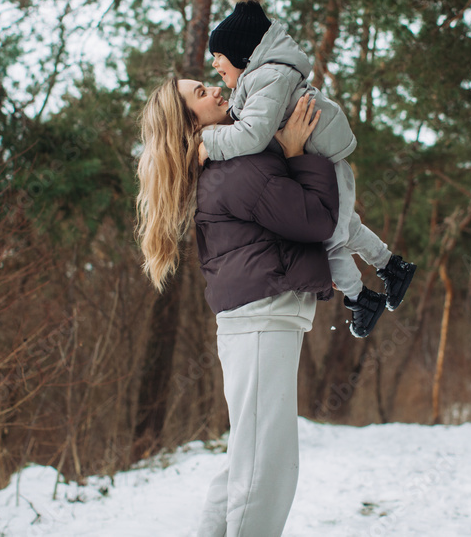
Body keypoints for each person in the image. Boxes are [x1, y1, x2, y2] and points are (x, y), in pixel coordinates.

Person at [135, 75, 338, 537]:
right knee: (266, 471)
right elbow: (316, 220)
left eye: (207, 82)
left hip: (256, 319)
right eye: (199, 94)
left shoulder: (228, 162)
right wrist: (296, 156)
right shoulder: (234, 169)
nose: (213, 89)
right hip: (261, 318)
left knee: (248, 461)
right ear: (190, 122)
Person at [199, 0, 417, 338]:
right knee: (345, 227)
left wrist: (210, 141)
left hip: (325, 163)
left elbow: (251, 134)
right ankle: (392, 266)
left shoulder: (268, 77)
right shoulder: (258, 80)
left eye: (219, 56)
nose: (215, 65)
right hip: (321, 162)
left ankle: (360, 299)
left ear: (241, 53)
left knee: (329, 241)